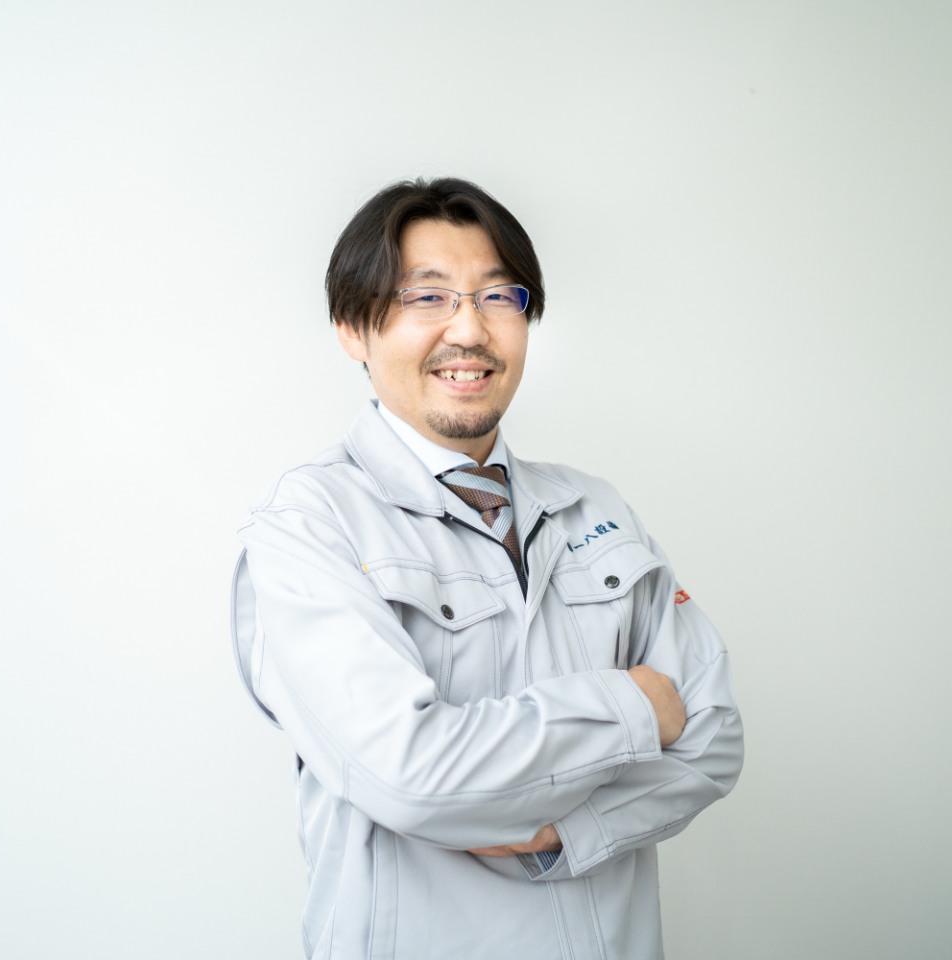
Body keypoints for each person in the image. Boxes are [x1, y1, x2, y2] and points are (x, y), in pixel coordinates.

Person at [231, 177, 743, 960]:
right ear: (352, 328)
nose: (469, 329)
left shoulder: (593, 507)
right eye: (427, 297)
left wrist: (571, 828)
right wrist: (634, 706)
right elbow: (411, 773)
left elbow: (712, 735)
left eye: (499, 296)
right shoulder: (309, 524)